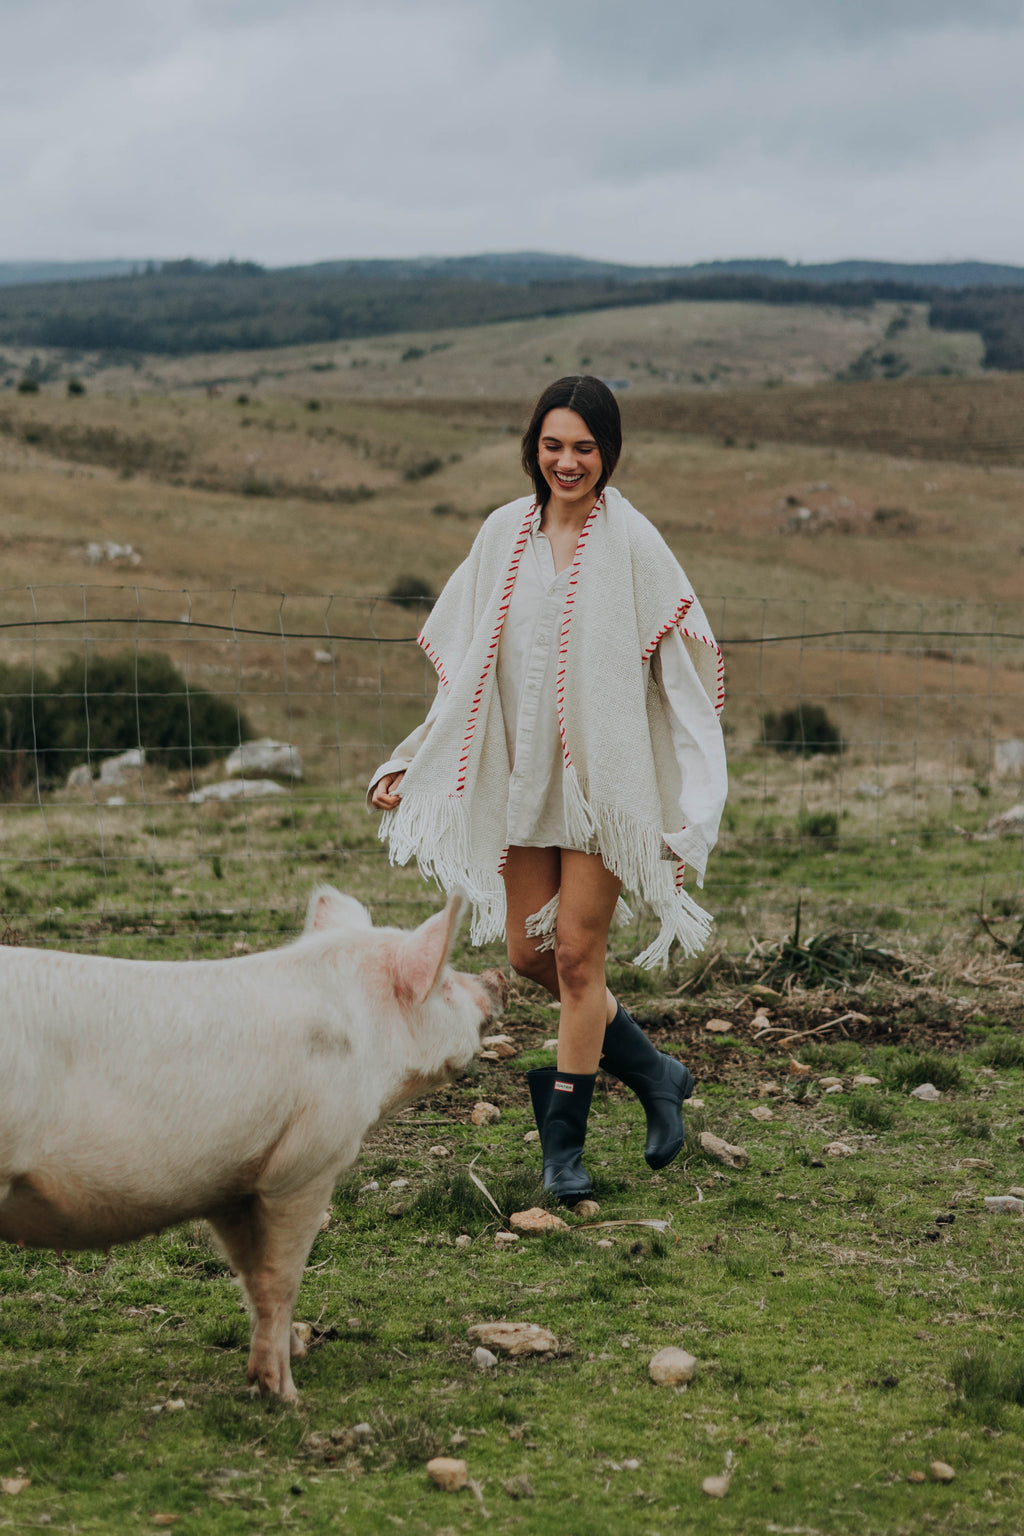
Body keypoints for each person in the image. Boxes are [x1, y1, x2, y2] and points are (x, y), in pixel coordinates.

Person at [369, 376, 727, 1203]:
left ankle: (561, 1156)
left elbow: (681, 676)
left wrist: (694, 801)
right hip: (524, 784)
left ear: (609, 453)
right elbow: (465, 677)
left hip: (603, 792)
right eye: (553, 445)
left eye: (584, 448)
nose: (567, 462)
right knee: (530, 955)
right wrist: (410, 759)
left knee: (575, 959)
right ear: (534, 447)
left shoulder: (635, 545)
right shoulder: (502, 535)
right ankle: (652, 1068)